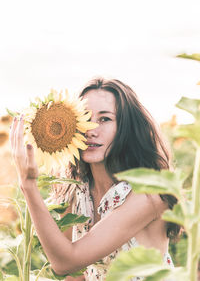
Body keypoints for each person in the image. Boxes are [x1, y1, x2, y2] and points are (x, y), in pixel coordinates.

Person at [10, 78, 179, 281]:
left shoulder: (148, 194)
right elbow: (77, 275)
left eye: (105, 119)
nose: (91, 129)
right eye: (85, 118)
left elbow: (65, 262)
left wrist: (28, 185)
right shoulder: (76, 191)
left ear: (125, 127)